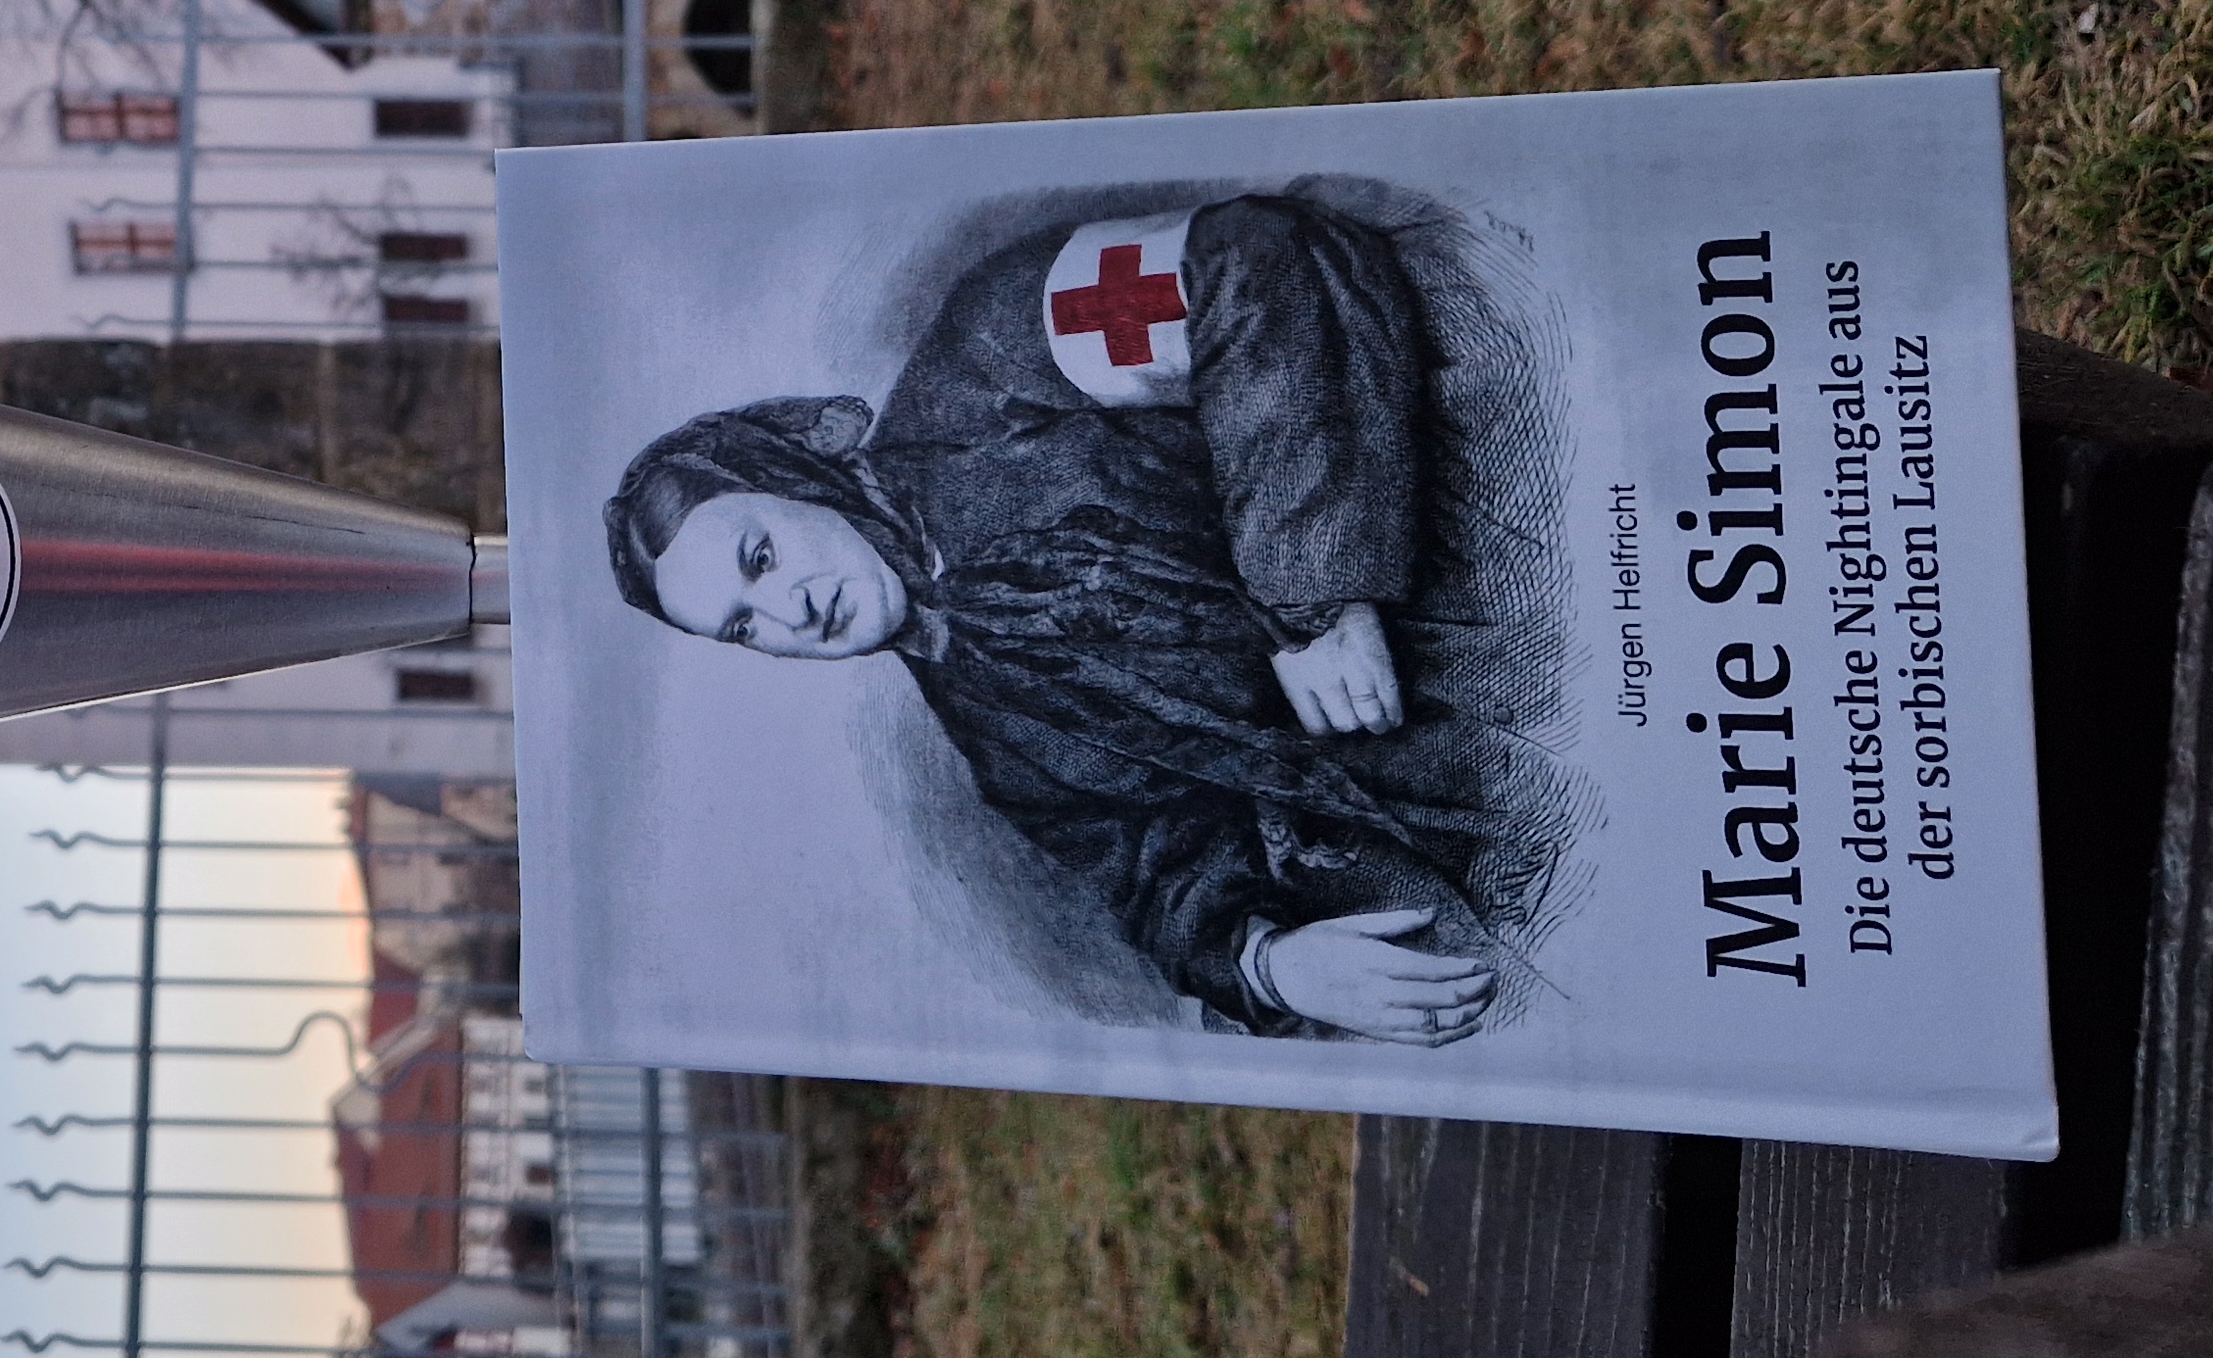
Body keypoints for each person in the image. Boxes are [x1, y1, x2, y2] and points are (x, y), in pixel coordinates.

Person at [603, 192, 1530, 1046]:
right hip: (1467, 783)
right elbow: (1154, 866)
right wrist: (1271, 966)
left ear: (790, 480)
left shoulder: (995, 364)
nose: (789, 612)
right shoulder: (994, 737)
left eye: (759, 557)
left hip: (1509, 548)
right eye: (742, 627)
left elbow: (1249, 257)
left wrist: (1313, 598)